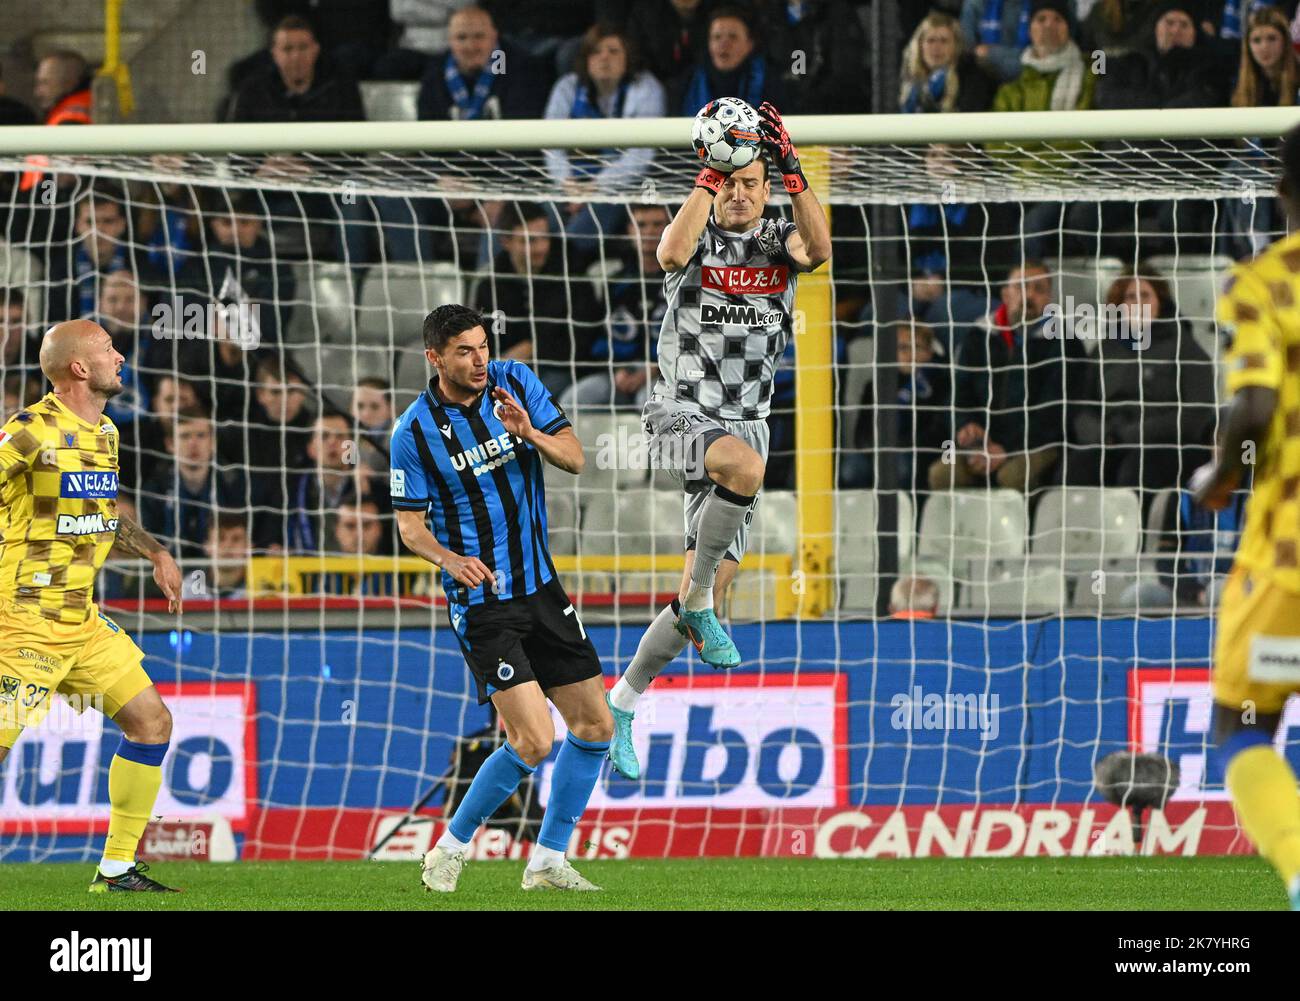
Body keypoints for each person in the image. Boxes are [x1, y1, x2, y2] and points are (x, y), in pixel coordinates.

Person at [604, 102, 830, 779]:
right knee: (747, 468)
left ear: (766, 188)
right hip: (678, 413)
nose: (738, 193)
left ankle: (624, 697)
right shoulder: (696, 234)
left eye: (749, 182)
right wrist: (709, 174)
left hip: (746, 419)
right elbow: (667, 252)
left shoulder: (778, 238)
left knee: (700, 593)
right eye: (729, 180)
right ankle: (698, 604)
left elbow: (819, 250)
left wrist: (792, 169)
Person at [392, 304, 612, 892]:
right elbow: (410, 527)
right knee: (534, 739)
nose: (480, 359)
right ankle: (449, 848)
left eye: (483, 345)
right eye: (464, 351)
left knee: (595, 726)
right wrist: (449, 560)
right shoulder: (412, 431)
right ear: (434, 358)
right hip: (484, 603)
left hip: (541, 587)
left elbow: (574, 459)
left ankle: (547, 859)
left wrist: (529, 433)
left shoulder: (515, 382)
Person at [0, 319, 183, 892]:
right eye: (108, 350)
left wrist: (155, 551)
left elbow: (100, 511)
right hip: (23, 620)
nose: (120, 356)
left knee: (151, 722)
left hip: (80, 620)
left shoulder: (105, 431)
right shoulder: (29, 431)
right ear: (80, 368)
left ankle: (117, 868)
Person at [1190, 121, 1300, 911]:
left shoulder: (1263, 280)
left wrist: (1220, 472)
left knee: (1242, 720)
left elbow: (1255, 403)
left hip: (1288, 553)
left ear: (1280, 190)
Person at [1071, 269, 1216, 495]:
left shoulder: (1185, 347)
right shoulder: (1104, 350)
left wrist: (1129, 436)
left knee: (1135, 472)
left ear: (1161, 301)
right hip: (1109, 442)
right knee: (1075, 470)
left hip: (1166, 445)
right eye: (1130, 297)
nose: (1138, 304)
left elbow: (1196, 415)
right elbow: (1081, 409)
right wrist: (1104, 436)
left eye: (1145, 296)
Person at [928, 261, 1069, 492]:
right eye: (1022, 287)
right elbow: (958, 396)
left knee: (1011, 477)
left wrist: (1007, 449)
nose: (1029, 295)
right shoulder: (977, 337)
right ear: (1005, 294)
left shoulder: (1064, 344)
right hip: (981, 445)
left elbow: (1054, 415)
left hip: (1037, 444)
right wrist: (967, 427)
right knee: (942, 472)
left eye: (1039, 289)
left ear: (1049, 300)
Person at [543, 24, 666, 252]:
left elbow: (641, 154)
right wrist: (566, 183)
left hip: (620, 183)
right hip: (569, 183)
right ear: (586, 59)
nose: (604, 58)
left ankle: (563, 260)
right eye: (596, 51)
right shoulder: (567, 87)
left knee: (602, 207)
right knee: (538, 214)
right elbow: (550, 144)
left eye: (613, 51)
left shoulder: (646, 87)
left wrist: (597, 187)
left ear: (627, 58)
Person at [560, 203, 669, 411]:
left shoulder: (682, 280)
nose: (649, 232)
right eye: (641, 225)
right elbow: (598, 336)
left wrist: (654, 369)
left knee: (651, 403)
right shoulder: (612, 279)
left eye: (657, 224)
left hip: (664, 373)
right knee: (572, 400)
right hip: (616, 373)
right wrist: (616, 369)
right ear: (629, 231)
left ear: (669, 229)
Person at [138, 406, 250, 561]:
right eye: (185, 436)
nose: (193, 444)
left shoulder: (236, 486)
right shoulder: (154, 490)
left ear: (213, 442)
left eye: (201, 435)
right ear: (170, 444)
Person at [670, 6, 785, 116]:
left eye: (733, 37)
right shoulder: (687, 83)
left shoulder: (771, 82)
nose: (724, 44)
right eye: (717, 37)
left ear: (750, 44)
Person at [19, 50, 92, 195]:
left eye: (44, 83)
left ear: (69, 83)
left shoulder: (72, 119)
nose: (37, 92)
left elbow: (60, 182)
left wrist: (45, 205)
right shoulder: (64, 112)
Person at [899, 11, 998, 113]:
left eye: (944, 41)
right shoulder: (909, 77)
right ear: (920, 45)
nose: (936, 47)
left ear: (956, 46)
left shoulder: (973, 78)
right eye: (930, 40)